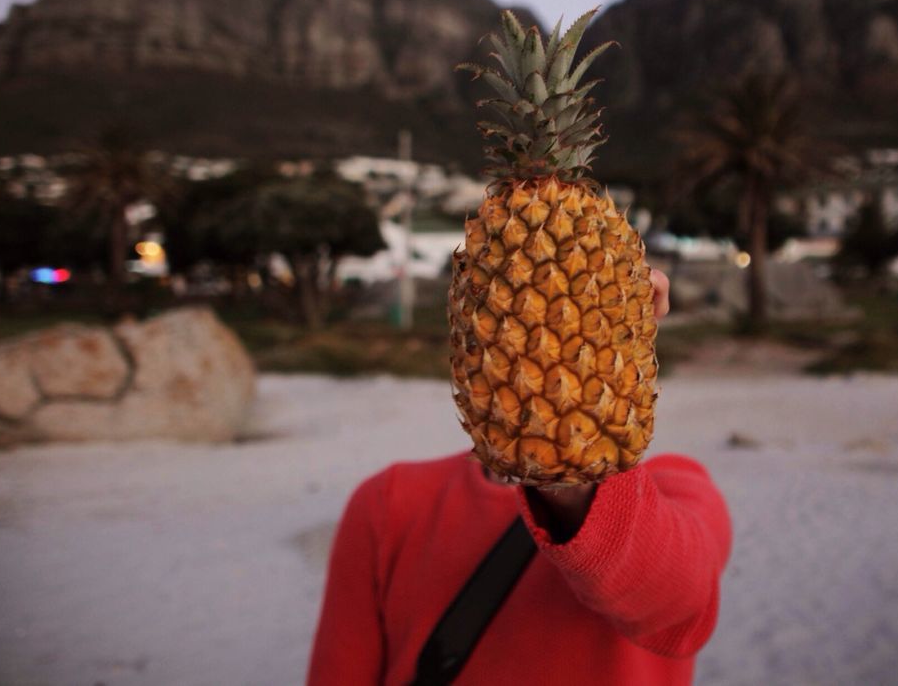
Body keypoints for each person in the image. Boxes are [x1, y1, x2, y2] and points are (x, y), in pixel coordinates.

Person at [306, 270, 732, 685]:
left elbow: (677, 601)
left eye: (576, 322)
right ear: (468, 334)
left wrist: (568, 471)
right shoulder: (387, 502)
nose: (542, 332)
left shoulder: (681, 485)